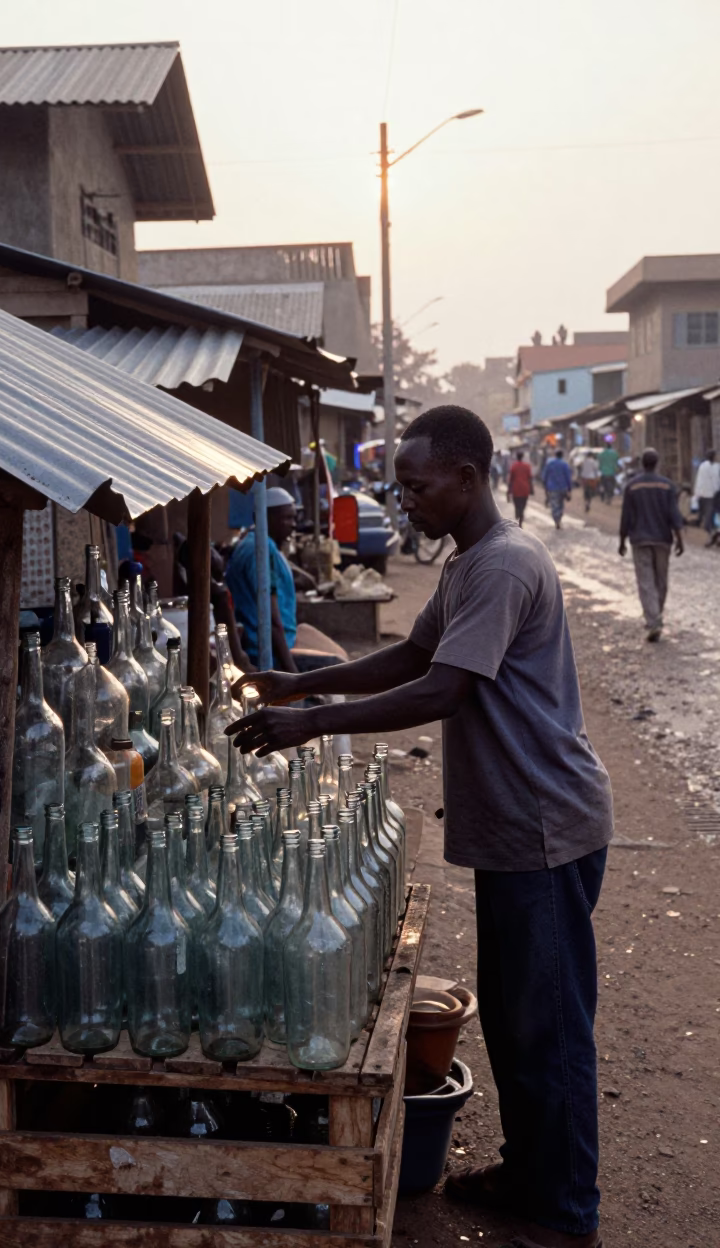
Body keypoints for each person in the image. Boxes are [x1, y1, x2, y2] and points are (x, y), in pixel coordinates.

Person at [229, 406, 612, 1248]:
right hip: (515, 829)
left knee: (550, 1027)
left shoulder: (506, 566)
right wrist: (299, 686)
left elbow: (443, 691)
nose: (405, 502)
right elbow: (412, 657)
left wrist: (316, 725)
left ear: (468, 480)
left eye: (416, 485)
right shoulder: (466, 563)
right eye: (401, 487)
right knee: (515, 1023)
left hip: (547, 826)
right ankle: (529, 1170)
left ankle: (567, 1203)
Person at [224, 487, 343, 671]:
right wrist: (292, 673)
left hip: (277, 641)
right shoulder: (261, 550)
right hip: (266, 650)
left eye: (294, 518)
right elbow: (271, 620)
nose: (293, 524)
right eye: (287, 518)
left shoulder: (256, 543)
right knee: (336, 666)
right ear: (265, 518)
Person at [619, 447, 684, 642]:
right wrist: (680, 540)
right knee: (661, 581)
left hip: (640, 540)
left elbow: (626, 517)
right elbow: (675, 516)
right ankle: (656, 617)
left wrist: (622, 540)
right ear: (657, 463)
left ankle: (654, 619)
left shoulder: (632, 486)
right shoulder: (667, 486)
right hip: (663, 540)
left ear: (642, 464)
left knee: (646, 582)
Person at [693, 449, 720, 543]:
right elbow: (701, 481)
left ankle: (714, 533)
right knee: (710, 516)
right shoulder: (706, 467)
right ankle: (711, 534)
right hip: (709, 494)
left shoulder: (713, 466)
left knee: (713, 515)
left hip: (711, 494)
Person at [542, 448, 573, 529]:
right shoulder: (564, 465)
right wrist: (569, 489)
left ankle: (556, 520)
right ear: (562, 455)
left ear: (555, 455)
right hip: (563, 488)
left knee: (554, 505)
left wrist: (545, 486)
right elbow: (568, 478)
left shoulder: (550, 464)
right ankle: (559, 518)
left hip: (552, 488)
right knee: (561, 504)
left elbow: (544, 476)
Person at [506, 450, 533, 526]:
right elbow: (530, 479)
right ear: (522, 457)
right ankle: (520, 517)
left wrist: (508, 491)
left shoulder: (514, 466)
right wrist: (531, 489)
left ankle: (518, 516)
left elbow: (511, 480)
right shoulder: (527, 466)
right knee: (523, 505)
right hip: (525, 489)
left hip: (516, 490)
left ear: (517, 457)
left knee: (517, 505)